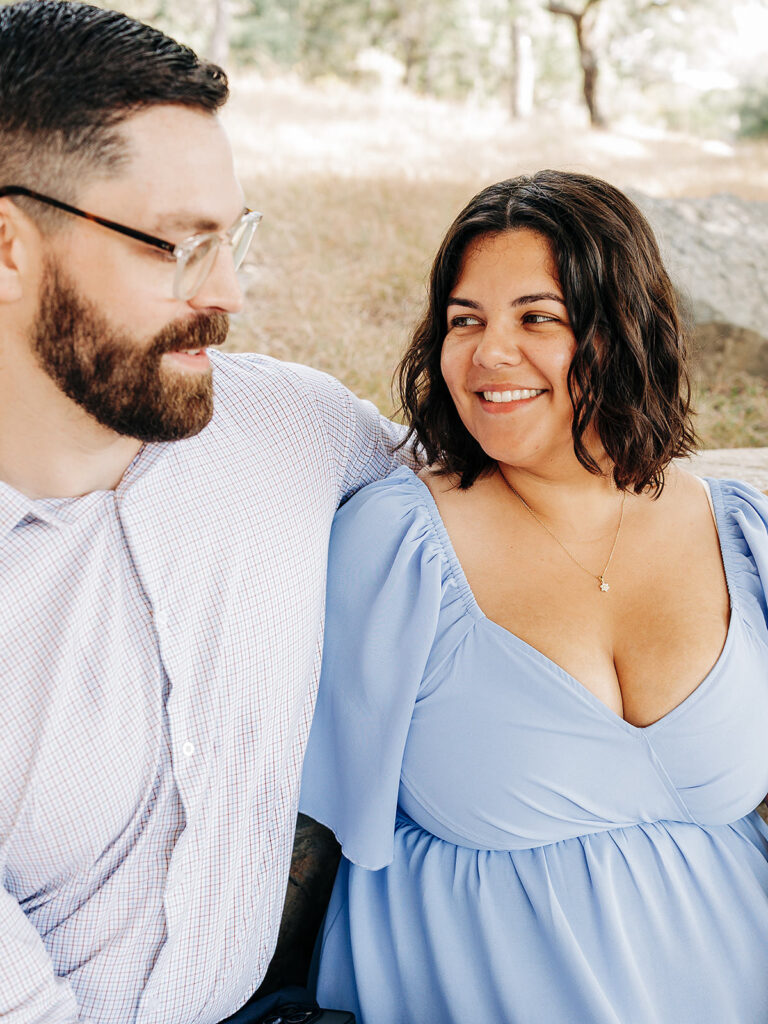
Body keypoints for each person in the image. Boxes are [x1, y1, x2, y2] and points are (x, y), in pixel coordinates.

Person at [0, 3, 407, 1022]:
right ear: (8, 247)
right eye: (178, 245)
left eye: (232, 238)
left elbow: (496, 503)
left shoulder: (292, 425)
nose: (226, 292)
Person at [298, 170, 768, 1023]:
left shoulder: (740, 531)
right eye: (463, 321)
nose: (488, 353)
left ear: (623, 328)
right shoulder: (397, 545)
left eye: (537, 317)